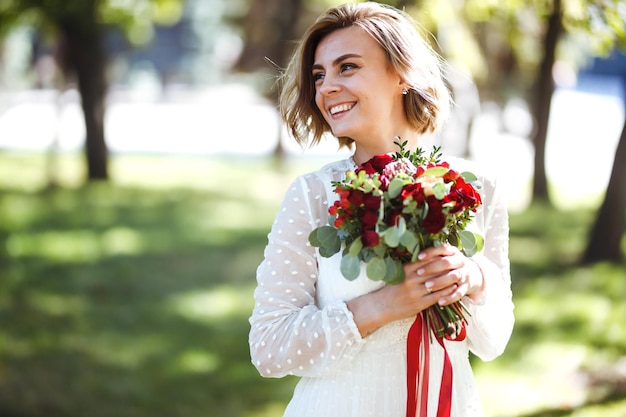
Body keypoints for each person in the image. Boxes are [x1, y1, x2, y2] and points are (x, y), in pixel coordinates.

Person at [248, 3, 514, 417]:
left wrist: (474, 278)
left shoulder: (476, 189)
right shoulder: (312, 196)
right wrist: (382, 306)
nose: (326, 87)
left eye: (347, 67)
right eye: (319, 75)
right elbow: (270, 346)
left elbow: (494, 341)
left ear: (403, 72)